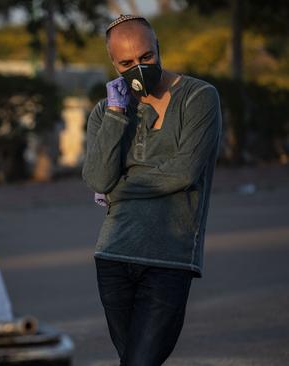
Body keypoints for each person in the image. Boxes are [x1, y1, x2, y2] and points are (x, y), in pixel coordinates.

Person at [82, 14, 222, 365]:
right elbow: (98, 179)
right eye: (126, 63)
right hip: (113, 255)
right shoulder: (105, 111)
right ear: (113, 63)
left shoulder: (198, 97)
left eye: (146, 58)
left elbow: (184, 172)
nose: (138, 68)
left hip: (168, 258)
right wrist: (117, 113)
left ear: (159, 50)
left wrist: (120, 190)